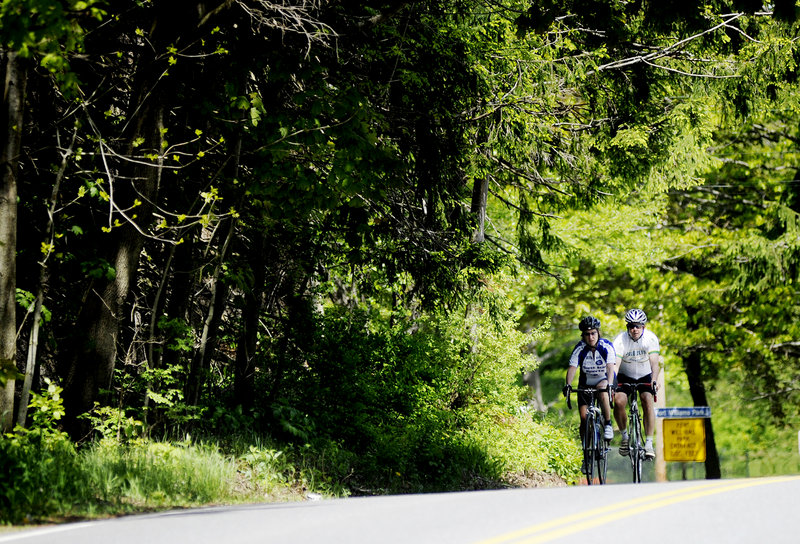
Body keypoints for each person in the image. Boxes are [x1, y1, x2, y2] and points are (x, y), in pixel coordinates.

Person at [563, 316, 616, 458]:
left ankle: (608, 424)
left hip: (604, 379)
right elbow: (572, 367)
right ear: (583, 335)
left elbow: (611, 367)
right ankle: (586, 451)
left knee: (602, 388)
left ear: (598, 332)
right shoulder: (580, 348)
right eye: (587, 334)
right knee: (584, 417)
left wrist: (610, 384)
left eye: (593, 333)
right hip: (585, 383)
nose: (590, 337)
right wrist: (568, 385)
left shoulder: (606, 346)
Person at [612, 308, 661, 460]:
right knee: (619, 401)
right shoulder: (620, 340)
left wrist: (654, 380)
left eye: (637, 326)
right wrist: (612, 384)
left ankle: (648, 443)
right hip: (625, 375)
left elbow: (655, 363)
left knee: (647, 400)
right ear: (627, 327)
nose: (634, 329)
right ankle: (625, 437)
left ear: (643, 327)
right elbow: (615, 365)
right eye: (631, 326)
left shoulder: (651, 339)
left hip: (645, 375)